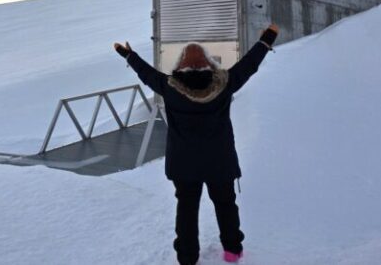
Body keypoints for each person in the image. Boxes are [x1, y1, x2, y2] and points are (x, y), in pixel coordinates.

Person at [113, 24, 278, 264]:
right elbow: (249, 64)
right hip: (219, 162)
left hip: (184, 164)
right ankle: (232, 252)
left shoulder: (168, 88)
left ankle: (187, 258)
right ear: (209, 64)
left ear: (180, 64)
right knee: (225, 205)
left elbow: (145, 72)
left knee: (187, 210)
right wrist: (266, 40)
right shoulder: (225, 84)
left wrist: (128, 54)